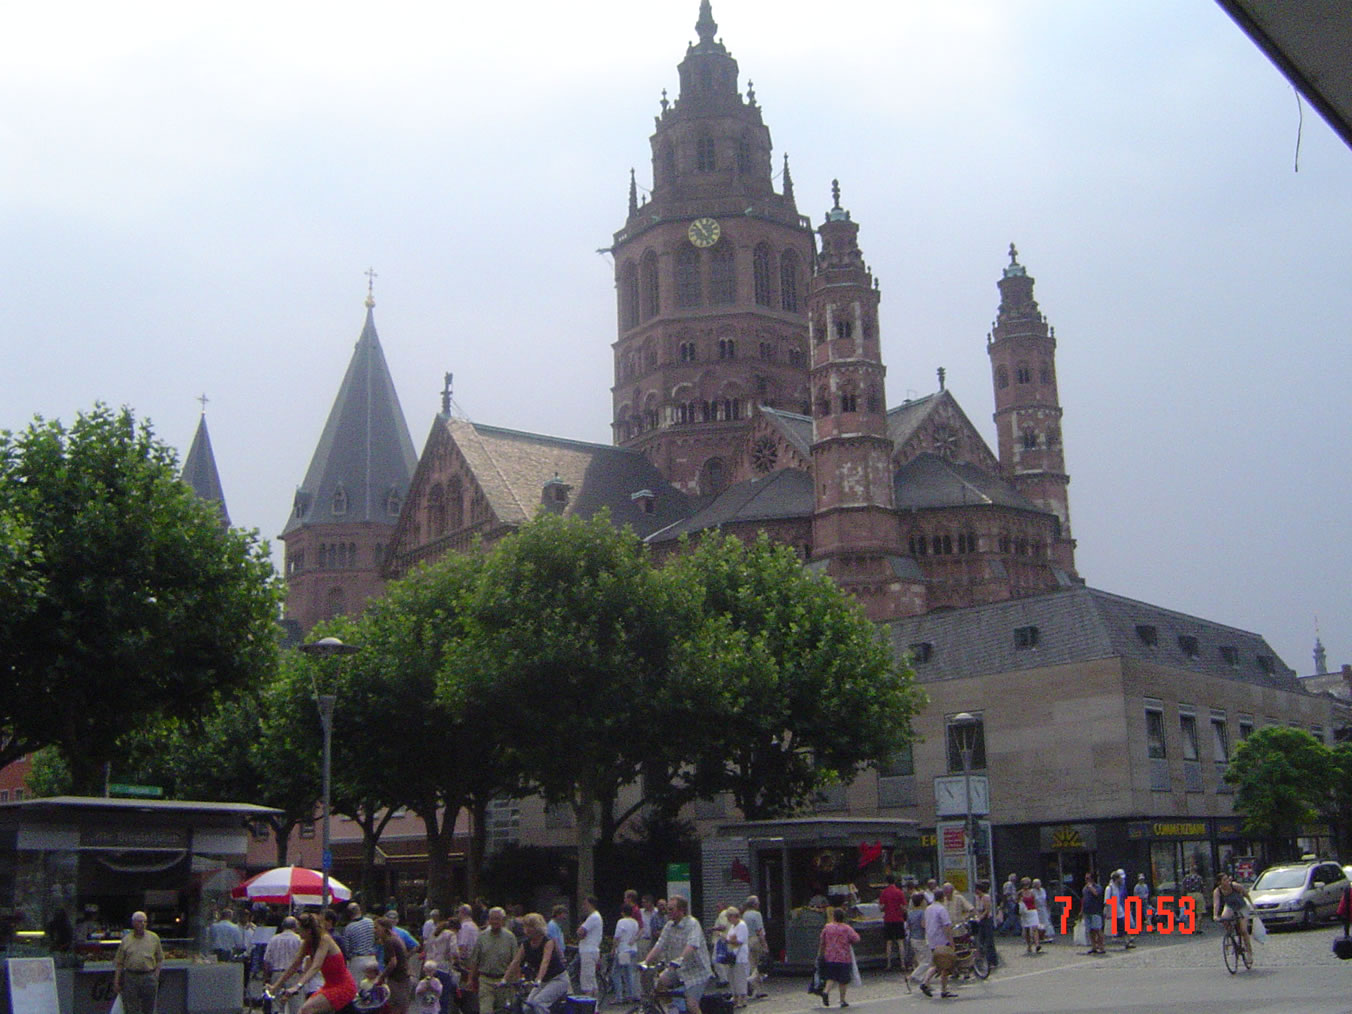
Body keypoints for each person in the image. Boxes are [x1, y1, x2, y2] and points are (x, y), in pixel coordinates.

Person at [272, 912, 357, 1014]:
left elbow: (316, 966)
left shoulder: (324, 939)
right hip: (329, 986)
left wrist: (297, 986)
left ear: (308, 930)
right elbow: (294, 965)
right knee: (303, 1011)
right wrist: (275, 986)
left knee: (306, 1010)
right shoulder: (307, 942)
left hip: (342, 986)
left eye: (299, 930)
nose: (298, 933)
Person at [644, 896, 712, 1013]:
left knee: (691, 1004)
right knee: (660, 983)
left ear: (682, 910)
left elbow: (692, 945)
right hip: (677, 969)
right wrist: (645, 961)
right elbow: (659, 945)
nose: (667, 911)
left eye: (671, 909)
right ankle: (672, 1009)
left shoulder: (692, 924)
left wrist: (679, 960)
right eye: (667, 908)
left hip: (696, 971)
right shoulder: (669, 926)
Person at [503, 913, 567, 1014]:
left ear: (538, 928)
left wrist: (538, 979)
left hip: (557, 979)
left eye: (531, 926)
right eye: (526, 926)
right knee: (527, 1007)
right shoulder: (526, 944)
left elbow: (545, 962)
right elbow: (515, 962)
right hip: (543, 981)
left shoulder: (547, 942)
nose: (527, 929)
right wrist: (504, 979)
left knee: (538, 1003)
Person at [114, 912, 164, 1014]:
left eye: (145, 922)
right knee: (131, 1008)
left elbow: (160, 958)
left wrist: (156, 975)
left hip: (149, 976)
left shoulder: (154, 938)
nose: (143, 924)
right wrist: (116, 981)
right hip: (131, 976)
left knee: (149, 1008)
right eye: (140, 921)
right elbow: (119, 962)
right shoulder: (126, 940)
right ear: (133, 923)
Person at [468, 907, 516, 1014]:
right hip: (485, 980)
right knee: (485, 1010)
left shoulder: (510, 938)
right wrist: (470, 979)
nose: (495, 922)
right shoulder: (482, 937)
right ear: (488, 920)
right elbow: (475, 960)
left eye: (498, 919)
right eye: (492, 919)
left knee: (503, 1011)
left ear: (503, 920)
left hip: (504, 981)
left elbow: (515, 962)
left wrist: (515, 982)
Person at [815, 908, 858, 1009]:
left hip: (830, 957)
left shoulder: (827, 927)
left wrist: (820, 954)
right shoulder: (846, 928)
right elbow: (856, 939)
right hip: (844, 957)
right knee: (843, 980)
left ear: (833, 917)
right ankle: (842, 1000)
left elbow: (822, 941)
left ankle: (826, 992)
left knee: (831, 977)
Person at [264, 917, 307, 1014]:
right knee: (296, 1005)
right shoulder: (299, 939)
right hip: (294, 975)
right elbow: (304, 960)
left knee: (276, 1006)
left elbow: (266, 960)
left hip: (277, 973)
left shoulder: (273, 939)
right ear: (295, 927)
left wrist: (266, 978)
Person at [918, 895, 955, 999]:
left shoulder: (928, 909)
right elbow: (947, 926)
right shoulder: (941, 909)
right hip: (941, 940)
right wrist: (951, 941)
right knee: (945, 965)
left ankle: (926, 983)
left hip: (931, 940)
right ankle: (943, 990)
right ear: (943, 898)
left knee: (936, 964)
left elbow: (924, 924)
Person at [374, 916, 413, 1014]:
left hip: (397, 979)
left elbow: (393, 962)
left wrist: (382, 977)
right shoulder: (396, 938)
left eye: (376, 928)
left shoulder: (389, 941)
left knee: (395, 1008)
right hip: (404, 977)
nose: (374, 931)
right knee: (402, 1007)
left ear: (384, 928)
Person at [1212, 873, 1252, 962]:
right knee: (1224, 918)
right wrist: (1215, 915)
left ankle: (1249, 952)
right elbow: (1216, 903)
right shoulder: (1217, 891)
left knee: (1243, 930)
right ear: (1219, 882)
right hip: (1230, 906)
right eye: (1224, 880)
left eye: (1227, 879)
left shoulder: (1235, 886)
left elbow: (1246, 894)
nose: (1227, 881)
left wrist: (1252, 904)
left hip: (1241, 907)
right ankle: (1230, 935)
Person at [612, 902, 640, 1004]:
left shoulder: (621, 922)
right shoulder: (635, 922)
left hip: (623, 950)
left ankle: (619, 997)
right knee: (629, 973)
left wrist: (613, 949)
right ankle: (630, 995)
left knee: (616, 973)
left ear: (622, 912)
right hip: (633, 949)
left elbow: (617, 937)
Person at [740, 896, 768, 998]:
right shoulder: (757, 914)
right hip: (755, 940)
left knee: (752, 965)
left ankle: (758, 990)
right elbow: (759, 931)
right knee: (760, 965)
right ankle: (751, 981)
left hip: (746, 941)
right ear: (755, 904)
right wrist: (764, 944)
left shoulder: (744, 915)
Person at [878, 876, 908, 971]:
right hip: (898, 919)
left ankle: (889, 964)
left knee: (889, 942)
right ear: (894, 881)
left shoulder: (884, 892)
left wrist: (886, 907)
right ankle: (903, 964)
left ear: (887, 882)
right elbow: (904, 908)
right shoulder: (900, 892)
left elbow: (881, 907)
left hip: (888, 919)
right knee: (900, 942)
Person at [576, 896, 603, 996]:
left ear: (590, 904)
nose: (583, 907)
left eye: (585, 904)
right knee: (592, 979)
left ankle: (587, 1002)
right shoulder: (596, 917)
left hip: (588, 950)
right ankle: (595, 1003)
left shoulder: (593, 917)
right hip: (593, 949)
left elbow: (580, 932)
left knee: (586, 980)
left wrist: (580, 934)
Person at [723, 907, 750, 1007]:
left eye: (729, 917)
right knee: (732, 977)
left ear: (734, 916)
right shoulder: (732, 926)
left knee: (740, 977)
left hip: (740, 955)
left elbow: (739, 941)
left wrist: (729, 940)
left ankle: (742, 999)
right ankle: (735, 997)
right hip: (732, 954)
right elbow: (730, 938)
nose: (728, 920)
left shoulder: (742, 925)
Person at [344, 904, 378, 983]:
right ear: (360, 910)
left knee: (357, 985)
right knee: (372, 985)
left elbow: (346, 948)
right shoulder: (371, 922)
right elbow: (376, 939)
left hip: (357, 959)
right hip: (372, 957)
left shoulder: (348, 928)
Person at [972, 881, 998, 970]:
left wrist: (980, 917)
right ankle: (982, 960)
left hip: (986, 920)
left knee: (989, 941)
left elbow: (987, 910)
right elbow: (977, 909)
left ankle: (993, 961)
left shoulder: (986, 897)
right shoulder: (977, 898)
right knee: (980, 941)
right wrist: (975, 916)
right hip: (980, 920)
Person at [1105, 870, 1133, 950]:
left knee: (1124, 926)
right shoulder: (1109, 888)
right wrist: (1108, 912)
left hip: (1119, 910)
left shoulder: (1117, 887)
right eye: (1120, 879)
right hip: (1113, 911)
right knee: (1112, 929)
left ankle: (1127, 942)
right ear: (1116, 879)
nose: (1121, 880)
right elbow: (1107, 901)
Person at [1081, 871, 1105, 956]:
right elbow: (1083, 899)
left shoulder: (1098, 887)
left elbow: (1096, 894)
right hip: (1087, 911)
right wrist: (1081, 911)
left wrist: (1091, 887)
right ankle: (1093, 947)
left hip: (1096, 911)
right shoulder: (1085, 888)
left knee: (1097, 929)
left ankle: (1101, 947)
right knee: (1090, 930)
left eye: (1088, 878)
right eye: (1085, 878)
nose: (1086, 880)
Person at [905, 894, 928, 980]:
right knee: (927, 961)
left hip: (913, 938)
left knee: (920, 959)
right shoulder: (922, 913)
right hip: (921, 938)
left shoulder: (910, 913)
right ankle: (912, 976)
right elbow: (923, 925)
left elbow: (908, 926)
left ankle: (920, 977)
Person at [1032, 878, 1054, 943]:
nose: (1038, 885)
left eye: (1039, 883)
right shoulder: (1032, 891)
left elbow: (1045, 899)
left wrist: (1047, 907)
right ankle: (1038, 936)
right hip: (1036, 909)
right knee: (1037, 923)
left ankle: (1047, 935)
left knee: (1046, 921)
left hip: (1043, 908)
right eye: (1037, 884)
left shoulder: (1043, 890)